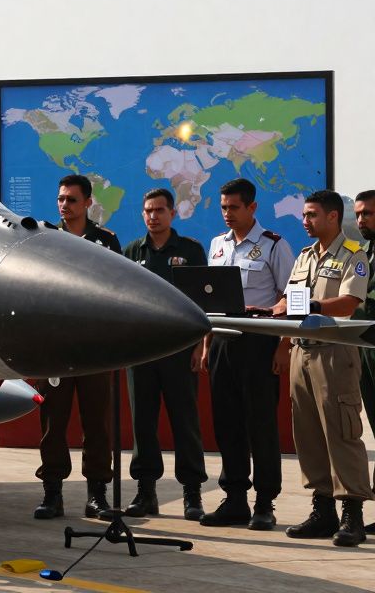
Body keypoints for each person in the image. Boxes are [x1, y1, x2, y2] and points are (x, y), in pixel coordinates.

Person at [271, 190, 373, 547]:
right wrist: (283, 339)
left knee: (341, 432)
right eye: (304, 214)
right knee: (309, 432)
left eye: (312, 215)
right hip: (302, 351)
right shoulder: (303, 257)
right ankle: (322, 509)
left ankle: (352, 514)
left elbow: (349, 302)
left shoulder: (353, 255)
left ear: (332, 217)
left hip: (335, 352)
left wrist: (310, 304)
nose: (305, 221)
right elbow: (289, 301)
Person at [199, 178, 293, 531]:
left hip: (258, 343)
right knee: (227, 424)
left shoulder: (274, 246)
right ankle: (235, 498)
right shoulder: (217, 246)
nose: (227, 214)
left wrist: (284, 344)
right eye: (223, 207)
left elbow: (290, 298)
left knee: (261, 425)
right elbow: (211, 298)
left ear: (252, 208)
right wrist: (208, 345)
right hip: (223, 342)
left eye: (233, 207)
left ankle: (265, 503)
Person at [34, 174, 119, 520]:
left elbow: (117, 288)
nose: (64, 205)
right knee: (53, 422)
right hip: (56, 347)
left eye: (71, 200)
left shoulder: (106, 241)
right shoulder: (46, 239)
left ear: (88, 203)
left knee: (96, 422)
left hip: (94, 348)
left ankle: (96, 495)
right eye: (60, 199)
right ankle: (52, 493)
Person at [120, 188, 208, 520]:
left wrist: (200, 345)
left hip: (179, 350)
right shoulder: (132, 251)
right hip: (141, 352)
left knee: (185, 422)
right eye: (147, 210)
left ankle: (192, 494)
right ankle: (145, 493)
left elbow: (203, 301)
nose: (153, 216)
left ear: (173, 213)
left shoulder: (190, 250)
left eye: (159, 210)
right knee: (143, 422)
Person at [351, 190, 375, 534]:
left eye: (368, 213)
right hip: (366, 352)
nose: (361, 220)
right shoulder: (361, 254)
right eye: (358, 214)